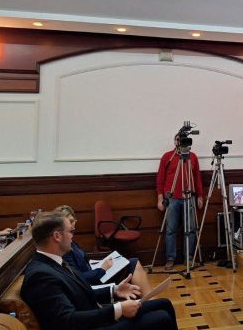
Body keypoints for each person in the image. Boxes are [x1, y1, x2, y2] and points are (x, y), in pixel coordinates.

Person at [21, 211, 177, 330]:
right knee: (161, 318)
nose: (72, 237)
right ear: (57, 236)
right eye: (70, 232)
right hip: (91, 326)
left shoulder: (54, 262)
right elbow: (67, 320)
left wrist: (114, 291)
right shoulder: (40, 276)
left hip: (96, 316)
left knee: (163, 304)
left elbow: (80, 293)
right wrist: (118, 309)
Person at [54, 205, 153, 296]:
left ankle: (148, 300)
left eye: (73, 221)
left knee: (131, 263)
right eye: (69, 222)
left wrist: (97, 264)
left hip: (95, 273)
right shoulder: (64, 248)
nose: (72, 225)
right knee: (133, 263)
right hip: (93, 282)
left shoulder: (71, 241)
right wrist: (102, 269)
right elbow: (77, 278)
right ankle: (149, 300)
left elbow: (83, 262)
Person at [156, 134, 204, 271]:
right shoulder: (168, 157)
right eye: (178, 139)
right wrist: (160, 198)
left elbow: (197, 178)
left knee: (191, 230)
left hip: (189, 197)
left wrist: (200, 196)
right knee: (170, 230)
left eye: (182, 140)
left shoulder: (192, 157)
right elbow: (160, 179)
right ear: (175, 141)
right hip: (172, 198)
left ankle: (188, 257)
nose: (180, 142)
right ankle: (170, 259)